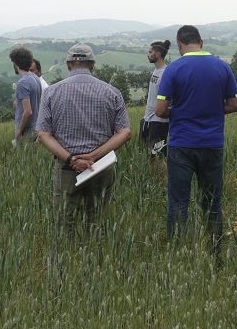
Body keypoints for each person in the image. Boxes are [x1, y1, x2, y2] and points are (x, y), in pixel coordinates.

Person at [155, 25, 237, 249]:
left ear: (180, 44)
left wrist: (183, 111)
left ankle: (178, 253)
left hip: (181, 144)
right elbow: (235, 104)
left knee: (179, 202)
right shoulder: (223, 67)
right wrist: (211, 108)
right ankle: (215, 251)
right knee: (212, 202)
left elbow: (160, 110)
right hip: (212, 144)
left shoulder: (173, 70)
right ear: (201, 41)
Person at [37, 43, 131, 237]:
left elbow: (43, 134)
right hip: (101, 166)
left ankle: (65, 263)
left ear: (69, 64)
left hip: (66, 168)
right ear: (93, 64)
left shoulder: (51, 92)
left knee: (64, 224)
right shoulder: (112, 92)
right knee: (97, 222)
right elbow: (124, 132)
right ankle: (97, 261)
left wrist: (72, 159)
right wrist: (93, 156)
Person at [141, 40, 171, 169]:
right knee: (149, 156)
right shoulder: (156, 71)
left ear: (158, 54)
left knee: (158, 156)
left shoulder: (166, 73)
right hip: (149, 120)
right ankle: (153, 183)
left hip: (159, 123)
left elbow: (170, 98)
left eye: (150, 52)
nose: (148, 55)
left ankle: (162, 185)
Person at [9, 47, 42, 148]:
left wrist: (19, 132)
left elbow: (28, 111)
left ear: (16, 63)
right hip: (36, 125)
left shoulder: (22, 83)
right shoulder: (35, 78)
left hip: (26, 130)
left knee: (23, 159)